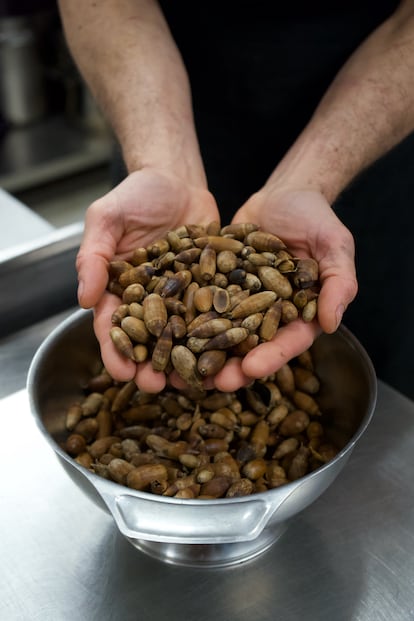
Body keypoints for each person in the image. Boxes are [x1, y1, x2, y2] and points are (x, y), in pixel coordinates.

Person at [57, 0, 414, 399]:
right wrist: (160, 160)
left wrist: (313, 178)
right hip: (164, 99)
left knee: (372, 379)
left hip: (374, 123)